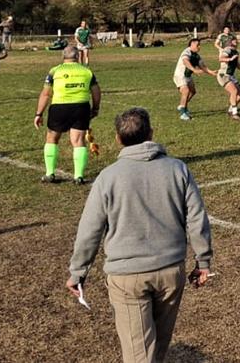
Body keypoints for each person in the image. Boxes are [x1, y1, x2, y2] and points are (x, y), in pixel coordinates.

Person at [67, 107, 213, 363]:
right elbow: (196, 218)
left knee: (141, 355)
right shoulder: (178, 169)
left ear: (117, 139)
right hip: (170, 272)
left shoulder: (107, 178)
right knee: (155, 348)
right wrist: (203, 261)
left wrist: (78, 272)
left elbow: (90, 230)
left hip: (127, 278)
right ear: (151, 133)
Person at [35, 45, 101, 184]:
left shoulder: (55, 71)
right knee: (78, 141)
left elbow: (46, 94)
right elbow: (96, 91)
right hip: (81, 107)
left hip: (59, 107)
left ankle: (50, 174)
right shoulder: (86, 71)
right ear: (78, 56)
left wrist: (39, 113)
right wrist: (95, 108)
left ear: (63, 56)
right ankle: (78, 176)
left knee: (52, 139)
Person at [174, 38, 214, 121]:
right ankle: (183, 113)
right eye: (197, 45)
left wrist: (212, 73)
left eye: (199, 45)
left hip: (187, 76)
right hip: (180, 75)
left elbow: (203, 67)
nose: (199, 47)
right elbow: (185, 61)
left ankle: (182, 106)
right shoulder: (187, 51)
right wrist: (194, 69)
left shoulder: (196, 55)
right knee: (186, 91)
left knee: (193, 91)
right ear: (191, 44)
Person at [216, 35, 240, 120]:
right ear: (230, 42)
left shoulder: (236, 52)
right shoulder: (227, 50)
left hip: (231, 76)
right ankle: (235, 113)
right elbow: (221, 59)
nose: (237, 42)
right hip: (223, 75)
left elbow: (237, 64)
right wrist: (230, 59)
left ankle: (230, 110)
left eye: (238, 40)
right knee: (234, 91)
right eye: (235, 40)